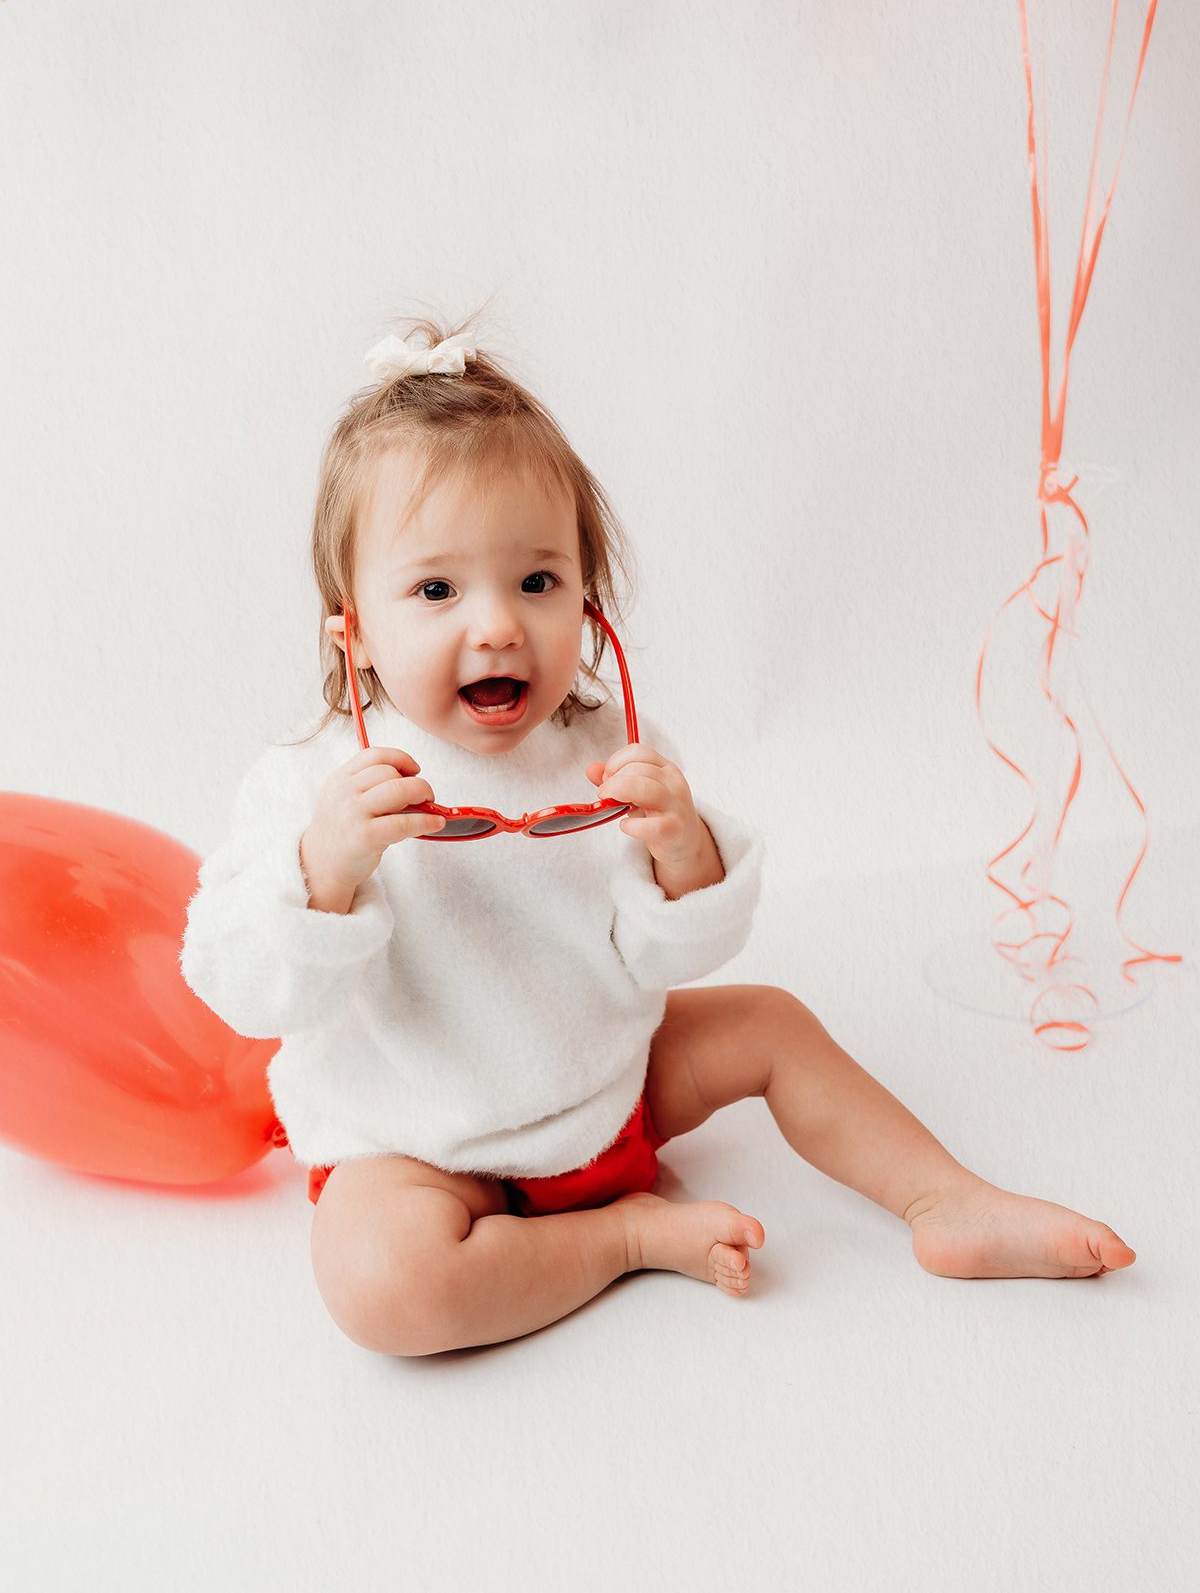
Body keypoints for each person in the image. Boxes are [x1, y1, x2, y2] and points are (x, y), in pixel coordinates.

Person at [179, 312, 1136, 1358]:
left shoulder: (602, 750)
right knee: (382, 1287)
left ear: (587, 602)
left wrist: (683, 852)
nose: (495, 623)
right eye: (438, 589)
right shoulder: (312, 787)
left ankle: (948, 1199)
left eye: (536, 580)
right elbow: (237, 980)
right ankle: (623, 1240)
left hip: (606, 1093)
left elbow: (674, 952)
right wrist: (322, 871)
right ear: (352, 630)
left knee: (772, 1023)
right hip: (419, 1141)